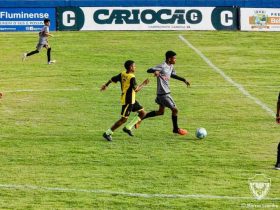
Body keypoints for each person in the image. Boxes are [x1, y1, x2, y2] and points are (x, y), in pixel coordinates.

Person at [135, 50, 190, 135]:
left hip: (163, 93)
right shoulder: (162, 66)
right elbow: (149, 70)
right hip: (164, 94)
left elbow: (171, 74)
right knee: (175, 110)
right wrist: (155, 71)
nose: (175, 60)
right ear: (169, 59)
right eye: (174, 58)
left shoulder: (171, 66)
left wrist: (184, 80)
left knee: (160, 112)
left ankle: (140, 118)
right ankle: (175, 129)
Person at [100, 60, 149, 141]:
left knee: (143, 113)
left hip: (132, 99)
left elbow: (112, 79)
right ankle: (107, 133)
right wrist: (143, 84)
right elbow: (136, 89)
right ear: (130, 67)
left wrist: (106, 85)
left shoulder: (123, 74)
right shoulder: (131, 77)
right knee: (124, 119)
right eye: (134, 66)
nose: (135, 67)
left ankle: (128, 127)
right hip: (128, 101)